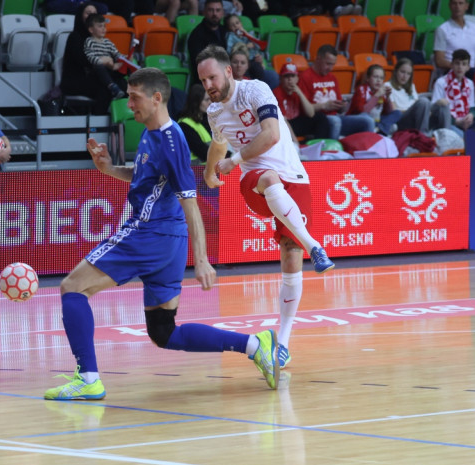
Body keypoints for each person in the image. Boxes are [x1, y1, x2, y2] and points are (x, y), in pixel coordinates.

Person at [44, 68, 285, 399]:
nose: (129, 104)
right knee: (164, 332)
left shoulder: (171, 141)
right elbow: (146, 177)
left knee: (72, 288)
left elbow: (191, 203)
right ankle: (255, 344)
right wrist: (109, 169)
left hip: (148, 234)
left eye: (134, 97)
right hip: (168, 241)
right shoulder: (150, 133)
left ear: (157, 98)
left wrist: (202, 260)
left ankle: (88, 379)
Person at [196, 45, 335, 370]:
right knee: (268, 177)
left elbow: (272, 134)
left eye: (212, 78)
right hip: (255, 180)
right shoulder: (214, 112)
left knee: (290, 253)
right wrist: (209, 170)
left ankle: (282, 343)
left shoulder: (255, 90)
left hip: (294, 177)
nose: (208, 86)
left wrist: (233, 159)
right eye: (203, 81)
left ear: (228, 71)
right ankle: (315, 246)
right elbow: (218, 144)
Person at [298, 45, 373, 139]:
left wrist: (342, 106)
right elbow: (303, 110)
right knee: (335, 121)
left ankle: (368, 150)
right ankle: (334, 151)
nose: (330, 68)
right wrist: (324, 106)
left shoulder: (332, 77)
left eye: (333, 64)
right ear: (318, 59)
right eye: (328, 64)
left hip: (336, 117)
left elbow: (340, 108)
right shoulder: (305, 77)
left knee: (367, 121)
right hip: (318, 122)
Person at [432, 48, 475, 135]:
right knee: (460, 134)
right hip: (448, 123)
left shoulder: (470, 83)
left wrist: (471, 116)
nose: (460, 67)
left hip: (465, 121)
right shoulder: (441, 82)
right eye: (457, 63)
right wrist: (457, 122)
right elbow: (436, 110)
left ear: (468, 67)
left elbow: (472, 108)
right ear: (452, 65)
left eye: (464, 64)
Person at [60, 1, 111, 104]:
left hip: (94, 77)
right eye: (88, 13)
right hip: (75, 81)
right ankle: (99, 118)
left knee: (123, 84)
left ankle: (122, 117)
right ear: (80, 16)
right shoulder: (75, 37)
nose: (92, 16)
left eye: (94, 13)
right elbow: (84, 61)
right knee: (105, 89)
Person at [387, 58, 453, 134]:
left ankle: (447, 136)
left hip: (417, 118)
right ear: (395, 71)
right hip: (402, 121)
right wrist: (415, 110)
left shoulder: (411, 86)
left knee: (443, 104)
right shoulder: (388, 87)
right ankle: (422, 135)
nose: (405, 76)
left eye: (408, 74)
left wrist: (432, 107)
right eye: (402, 72)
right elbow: (394, 112)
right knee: (423, 101)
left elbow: (419, 107)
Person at [273, 63, 330, 140]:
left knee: (320, 117)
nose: (290, 79)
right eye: (286, 76)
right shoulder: (277, 93)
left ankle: (320, 144)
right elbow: (283, 120)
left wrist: (300, 93)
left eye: (293, 76)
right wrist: (295, 141)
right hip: (283, 125)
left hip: (296, 122)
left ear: (297, 79)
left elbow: (310, 113)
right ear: (280, 79)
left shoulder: (299, 90)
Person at [433, 0, 475, 73]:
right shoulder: (442, 29)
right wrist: (460, 68)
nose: (457, 6)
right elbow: (439, 61)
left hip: (473, 72)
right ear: (450, 6)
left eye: (461, 3)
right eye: (454, 3)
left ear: (466, 6)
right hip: (452, 72)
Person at [84, 13, 128, 102]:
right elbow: (90, 57)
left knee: (126, 66)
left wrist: (124, 58)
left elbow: (116, 54)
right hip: (96, 71)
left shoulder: (108, 42)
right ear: (91, 30)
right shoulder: (89, 41)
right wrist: (103, 62)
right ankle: (112, 86)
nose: (104, 28)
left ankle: (134, 88)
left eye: (104, 26)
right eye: (100, 26)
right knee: (99, 66)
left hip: (110, 68)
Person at [346, 64, 401, 135]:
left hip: (376, 121)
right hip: (358, 119)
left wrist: (387, 98)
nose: (378, 80)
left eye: (381, 78)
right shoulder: (361, 89)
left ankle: (380, 129)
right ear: (368, 78)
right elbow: (362, 111)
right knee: (367, 119)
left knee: (397, 113)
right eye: (375, 77)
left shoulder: (382, 91)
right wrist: (376, 96)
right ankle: (381, 130)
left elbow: (387, 112)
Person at [187, 0, 228, 75]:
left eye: (218, 10)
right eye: (211, 10)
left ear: (222, 13)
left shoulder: (225, 30)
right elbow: (200, 62)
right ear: (204, 12)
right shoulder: (197, 34)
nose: (214, 14)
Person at [177, 83, 213, 162]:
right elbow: (203, 152)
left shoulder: (206, 120)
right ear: (196, 102)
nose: (210, 102)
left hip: (208, 170)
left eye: (210, 99)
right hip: (195, 171)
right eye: (207, 100)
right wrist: (230, 156)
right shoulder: (184, 126)